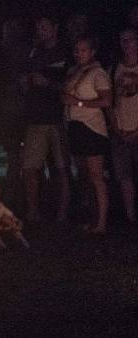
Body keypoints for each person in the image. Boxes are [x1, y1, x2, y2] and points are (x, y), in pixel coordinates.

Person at [19, 15, 70, 224]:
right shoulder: (33, 52)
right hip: (36, 119)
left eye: (44, 26)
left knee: (61, 167)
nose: (40, 30)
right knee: (30, 167)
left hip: (58, 118)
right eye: (38, 26)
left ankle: (62, 213)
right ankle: (33, 211)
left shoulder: (66, 52)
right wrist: (25, 83)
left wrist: (48, 83)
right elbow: (25, 80)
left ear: (55, 28)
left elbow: (72, 85)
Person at [63, 35, 111, 235]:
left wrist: (79, 103)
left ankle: (101, 222)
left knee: (96, 176)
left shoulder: (98, 74)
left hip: (91, 128)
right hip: (76, 126)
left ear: (92, 52)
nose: (79, 53)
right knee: (84, 176)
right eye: (77, 50)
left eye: (83, 50)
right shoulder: (74, 71)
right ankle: (92, 218)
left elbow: (106, 101)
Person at [109, 28, 138, 225]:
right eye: (123, 40)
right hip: (120, 131)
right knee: (124, 176)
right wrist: (115, 127)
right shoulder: (113, 69)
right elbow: (110, 102)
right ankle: (130, 215)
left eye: (130, 40)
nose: (126, 44)